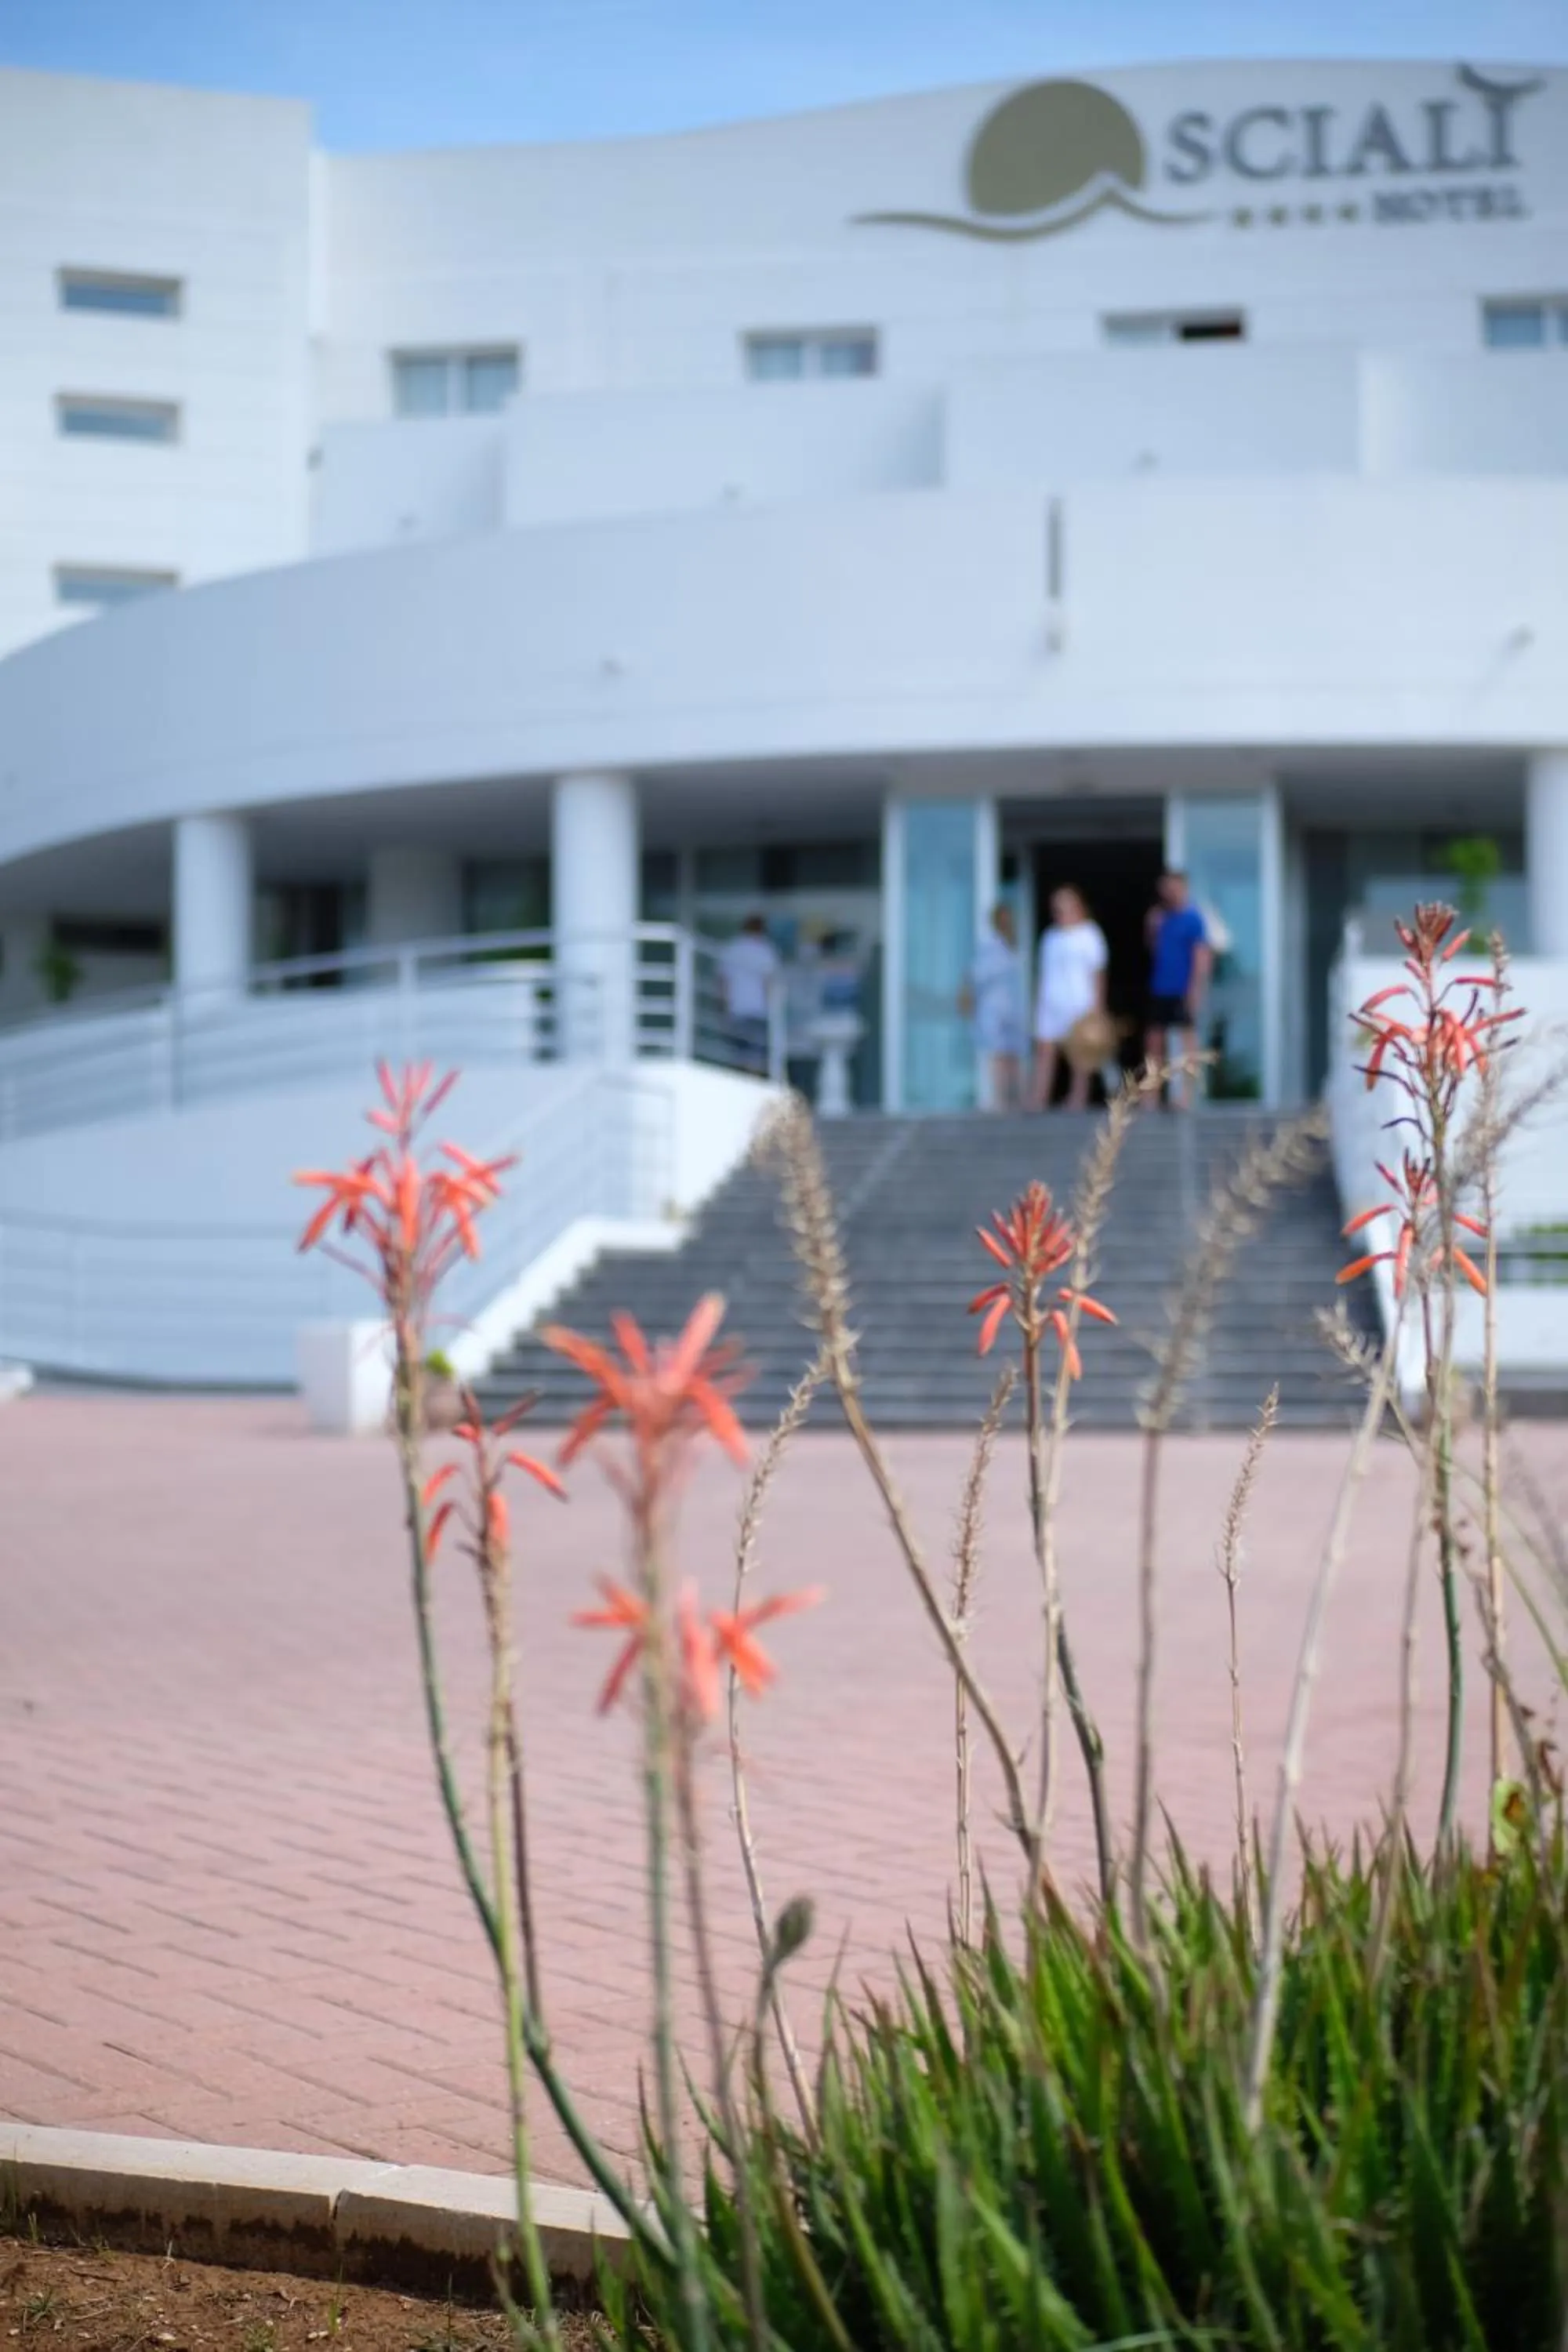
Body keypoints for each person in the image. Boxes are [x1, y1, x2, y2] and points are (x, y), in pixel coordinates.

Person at [1031, 885, 1109, 1112]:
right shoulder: (1050, 937)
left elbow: (1098, 972)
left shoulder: (1090, 934)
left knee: (1079, 1053)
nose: (1060, 912)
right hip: (1050, 1003)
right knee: (1045, 1051)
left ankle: (1078, 1098)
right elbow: (1043, 973)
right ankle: (1039, 1097)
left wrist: (1097, 1007)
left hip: (1079, 1002)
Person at [1144, 870, 1212, 1109]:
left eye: (1172, 887)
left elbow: (1202, 958)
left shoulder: (1194, 919)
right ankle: (1151, 1095)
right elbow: (1154, 950)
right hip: (1160, 987)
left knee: (1188, 1043)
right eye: (1165, 888)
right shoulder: (1161, 918)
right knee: (1154, 1040)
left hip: (1182, 989)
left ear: (1182, 888)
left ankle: (1187, 1096)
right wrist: (1151, 928)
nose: (1168, 893)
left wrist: (1195, 992)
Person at [958, 903, 1025, 1111]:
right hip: (994, 1006)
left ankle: (1017, 1098)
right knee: (997, 1053)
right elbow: (978, 975)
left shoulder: (1014, 944)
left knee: (1012, 1054)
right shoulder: (991, 945)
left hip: (1011, 1007)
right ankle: (1000, 1099)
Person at [718, 912, 779, 1074]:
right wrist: (772, 1009)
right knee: (756, 1056)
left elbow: (724, 983)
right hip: (758, 1009)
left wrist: (724, 1009)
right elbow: (769, 982)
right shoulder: (765, 950)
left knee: (739, 1055)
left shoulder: (732, 949)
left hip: (736, 1009)